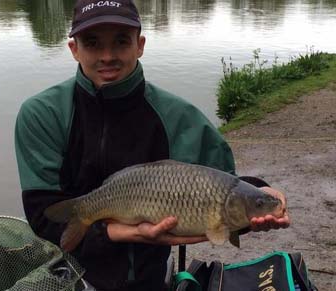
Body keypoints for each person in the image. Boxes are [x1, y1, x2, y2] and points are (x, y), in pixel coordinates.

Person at [14, 1, 290, 290]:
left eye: (121, 41)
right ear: (74, 49)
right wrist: (113, 232)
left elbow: (219, 187)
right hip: (67, 269)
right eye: (93, 43)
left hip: (150, 273)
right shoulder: (42, 114)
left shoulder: (180, 117)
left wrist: (261, 192)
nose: (107, 56)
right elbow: (42, 213)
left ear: (140, 44)